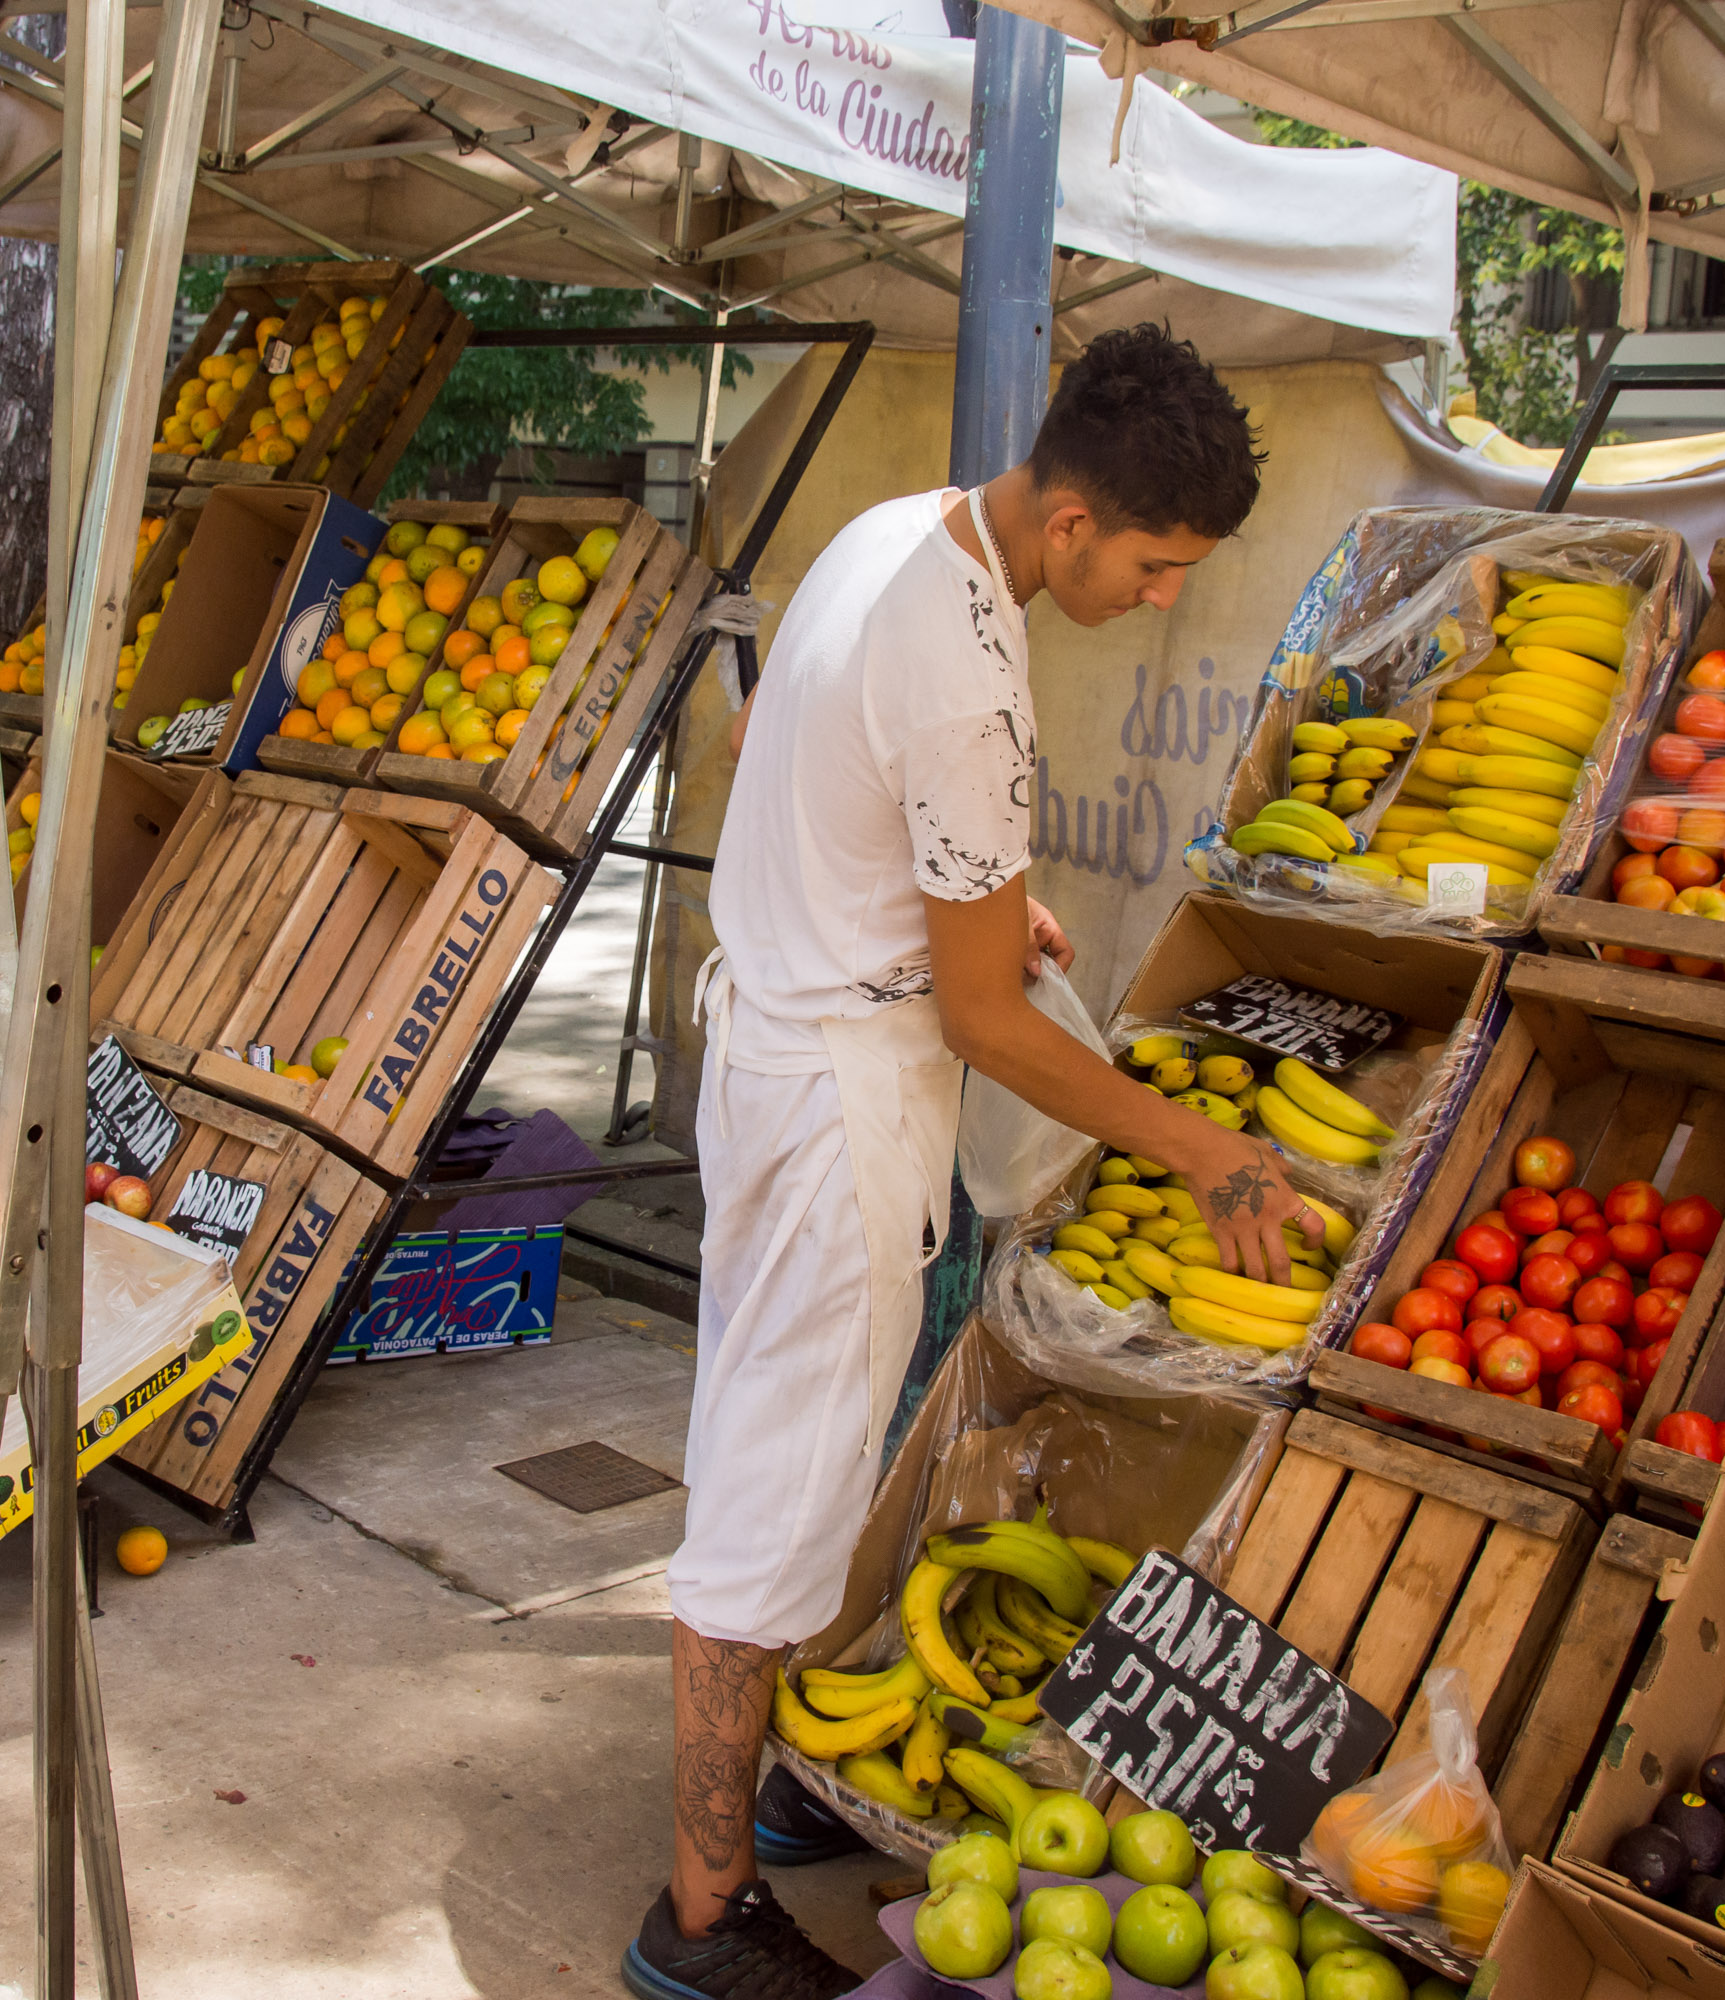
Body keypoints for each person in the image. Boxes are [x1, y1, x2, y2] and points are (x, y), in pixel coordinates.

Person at [625, 326, 1310, 2000]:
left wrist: (989, 907)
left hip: (789, 1036)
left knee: (797, 1457)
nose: (1159, 601)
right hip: (837, 1103)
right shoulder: (967, 660)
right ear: (1072, 521)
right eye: (1155, 569)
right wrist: (1199, 1149)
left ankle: (773, 1797)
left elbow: (830, 797)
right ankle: (702, 1915)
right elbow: (993, 1025)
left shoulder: (896, 532)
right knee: (768, 1517)